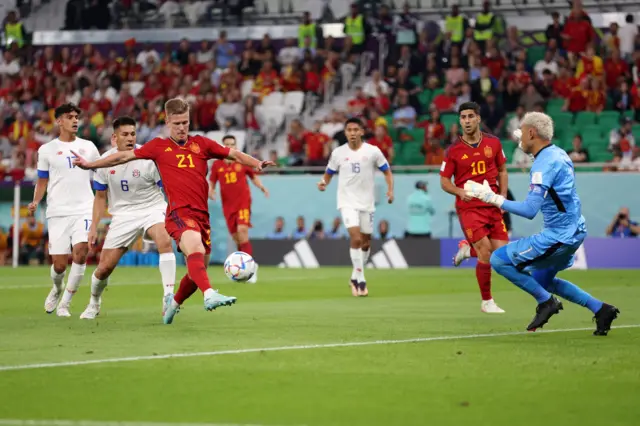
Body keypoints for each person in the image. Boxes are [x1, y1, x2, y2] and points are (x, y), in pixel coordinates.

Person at [73, 98, 275, 324]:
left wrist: (256, 163)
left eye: (186, 123)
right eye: (177, 123)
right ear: (167, 121)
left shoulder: (202, 144)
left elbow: (234, 154)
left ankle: (174, 304)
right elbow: (122, 156)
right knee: (194, 249)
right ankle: (209, 294)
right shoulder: (158, 147)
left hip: (202, 216)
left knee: (196, 268)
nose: (182, 128)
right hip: (178, 213)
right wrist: (90, 165)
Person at [464, 113, 619, 335]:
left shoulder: (543, 165)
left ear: (532, 133)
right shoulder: (558, 153)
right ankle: (601, 309)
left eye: (522, 133)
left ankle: (546, 303)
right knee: (542, 279)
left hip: (559, 235)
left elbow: (529, 210)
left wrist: (492, 198)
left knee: (498, 260)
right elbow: (534, 145)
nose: (519, 140)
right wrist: (525, 137)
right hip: (575, 229)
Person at [79, 116, 176, 320]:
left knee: (164, 240)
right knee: (103, 269)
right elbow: (100, 197)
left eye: (133, 134)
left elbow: (165, 189)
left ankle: (169, 297)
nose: (130, 138)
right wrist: (93, 227)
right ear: (115, 137)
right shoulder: (105, 162)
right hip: (123, 215)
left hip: (152, 207)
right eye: (125, 134)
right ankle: (94, 302)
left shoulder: (148, 157)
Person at [29, 103, 100, 317]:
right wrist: (35, 201)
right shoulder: (47, 150)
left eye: (77, 116)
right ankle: (57, 288)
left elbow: (101, 172)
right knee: (59, 265)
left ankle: (65, 304)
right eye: (70, 117)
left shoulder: (89, 147)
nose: (75, 120)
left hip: (84, 209)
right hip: (58, 211)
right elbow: (42, 181)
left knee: (80, 252)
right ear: (59, 121)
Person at [439, 101, 507, 314]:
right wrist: (460, 192)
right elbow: (444, 181)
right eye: (463, 117)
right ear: (459, 121)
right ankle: (487, 301)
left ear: (478, 118)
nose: (467, 121)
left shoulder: (494, 143)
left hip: (492, 206)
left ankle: (467, 250)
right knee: (485, 251)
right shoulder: (453, 151)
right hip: (469, 209)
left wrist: (503, 197)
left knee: (503, 255)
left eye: (470, 116)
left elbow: (503, 170)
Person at [317, 117, 394, 297]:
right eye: (349, 130)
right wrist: (323, 183)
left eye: (355, 130)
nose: (352, 133)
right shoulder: (338, 153)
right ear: (345, 133)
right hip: (346, 202)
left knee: (366, 243)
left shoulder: (373, 151)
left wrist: (390, 190)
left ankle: (354, 275)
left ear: (361, 132)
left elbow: (387, 171)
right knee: (356, 238)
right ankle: (360, 279)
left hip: (367, 203)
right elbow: (328, 174)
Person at [209, 134, 270, 283]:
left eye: (232, 144)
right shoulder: (217, 165)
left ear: (236, 147)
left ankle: (251, 268)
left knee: (243, 232)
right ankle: (244, 268)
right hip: (228, 206)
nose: (230, 147)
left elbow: (253, 176)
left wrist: (261, 187)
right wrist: (211, 190)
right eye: (227, 145)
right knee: (237, 237)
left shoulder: (242, 162)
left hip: (243, 202)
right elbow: (212, 181)